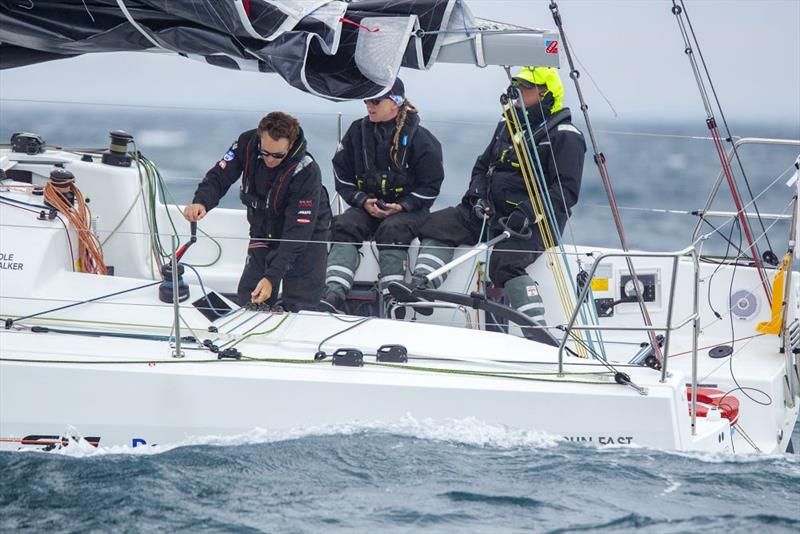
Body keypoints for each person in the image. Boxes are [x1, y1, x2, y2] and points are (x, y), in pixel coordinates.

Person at [409, 66, 586, 327]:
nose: (518, 95)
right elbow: (482, 166)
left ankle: (533, 326)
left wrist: (526, 213)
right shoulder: (506, 126)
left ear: (545, 94)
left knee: (505, 261)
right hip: (490, 212)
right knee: (436, 225)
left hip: (534, 223)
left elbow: (565, 193)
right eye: (518, 88)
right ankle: (421, 287)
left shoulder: (565, 137)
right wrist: (477, 196)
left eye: (526, 89)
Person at [320, 78, 445, 314]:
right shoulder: (357, 132)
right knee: (345, 224)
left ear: (395, 103)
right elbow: (341, 173)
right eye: (367, 100)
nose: (369, 105)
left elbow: (431, 185)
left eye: (375, 100)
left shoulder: (421, 139)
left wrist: (402, 206)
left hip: (407, 211)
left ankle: (393, 298)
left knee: (393, 229)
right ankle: (334, 293)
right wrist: (362, 201)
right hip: (368, 205)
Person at [183, 111, 331, 311]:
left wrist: (271, 277)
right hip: (263, 227)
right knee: (249, 298)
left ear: (291, 144)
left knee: (301, 305)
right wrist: (201, 202)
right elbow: (219, 176)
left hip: (305, 234)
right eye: (265, 153)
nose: (270, 160)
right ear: (260, 138)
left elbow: (297, 233)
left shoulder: (307, 171)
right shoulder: (247, 144)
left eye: (278, 155)